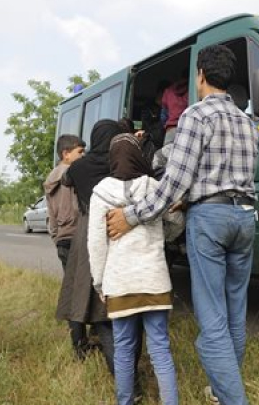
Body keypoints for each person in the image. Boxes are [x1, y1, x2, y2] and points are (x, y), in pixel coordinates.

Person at [107, 45, 259, 405]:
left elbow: (174, 184)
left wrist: (130, 216)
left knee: (212, 318)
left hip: (210, 219)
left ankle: (234, 399)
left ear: (201, 75)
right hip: (245, 217)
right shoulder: (248, 123)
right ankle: (222, 391)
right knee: (236, 310)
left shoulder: (196, 116)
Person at [88, 133, 182, 405]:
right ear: (139, 156)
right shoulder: (154, 186)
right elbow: (176, 220)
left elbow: (96, 243)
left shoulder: (100, 193)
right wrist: (161, 237)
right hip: (154, 278)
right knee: (160, 349)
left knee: (124, 349)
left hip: (120, 280)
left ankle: (125, 401)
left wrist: (99, 282)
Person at [56, 119, 144, 395]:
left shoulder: (79, 167)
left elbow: (65, 179)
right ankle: (130, 377)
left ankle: (125, 381)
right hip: (124, 232)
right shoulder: (118, 160)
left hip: (88, 236)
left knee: (101, 312)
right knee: (131, 309)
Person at [44, 134, 86, 271]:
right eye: (80, 151)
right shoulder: (72, 174)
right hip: (76, 235)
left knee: (69, 284)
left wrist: (56, 238)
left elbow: (51, 214)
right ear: (66, 154)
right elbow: (76, 208)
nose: (84, 155)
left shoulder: (50, 178)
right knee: (81, 286)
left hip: (62, 239)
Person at [160, 78, 188, 145]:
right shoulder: (194, 89)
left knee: (167, 154)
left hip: (171, 129)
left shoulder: (168, 91)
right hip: (187, 130)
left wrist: (166, 126)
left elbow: (163, 115)